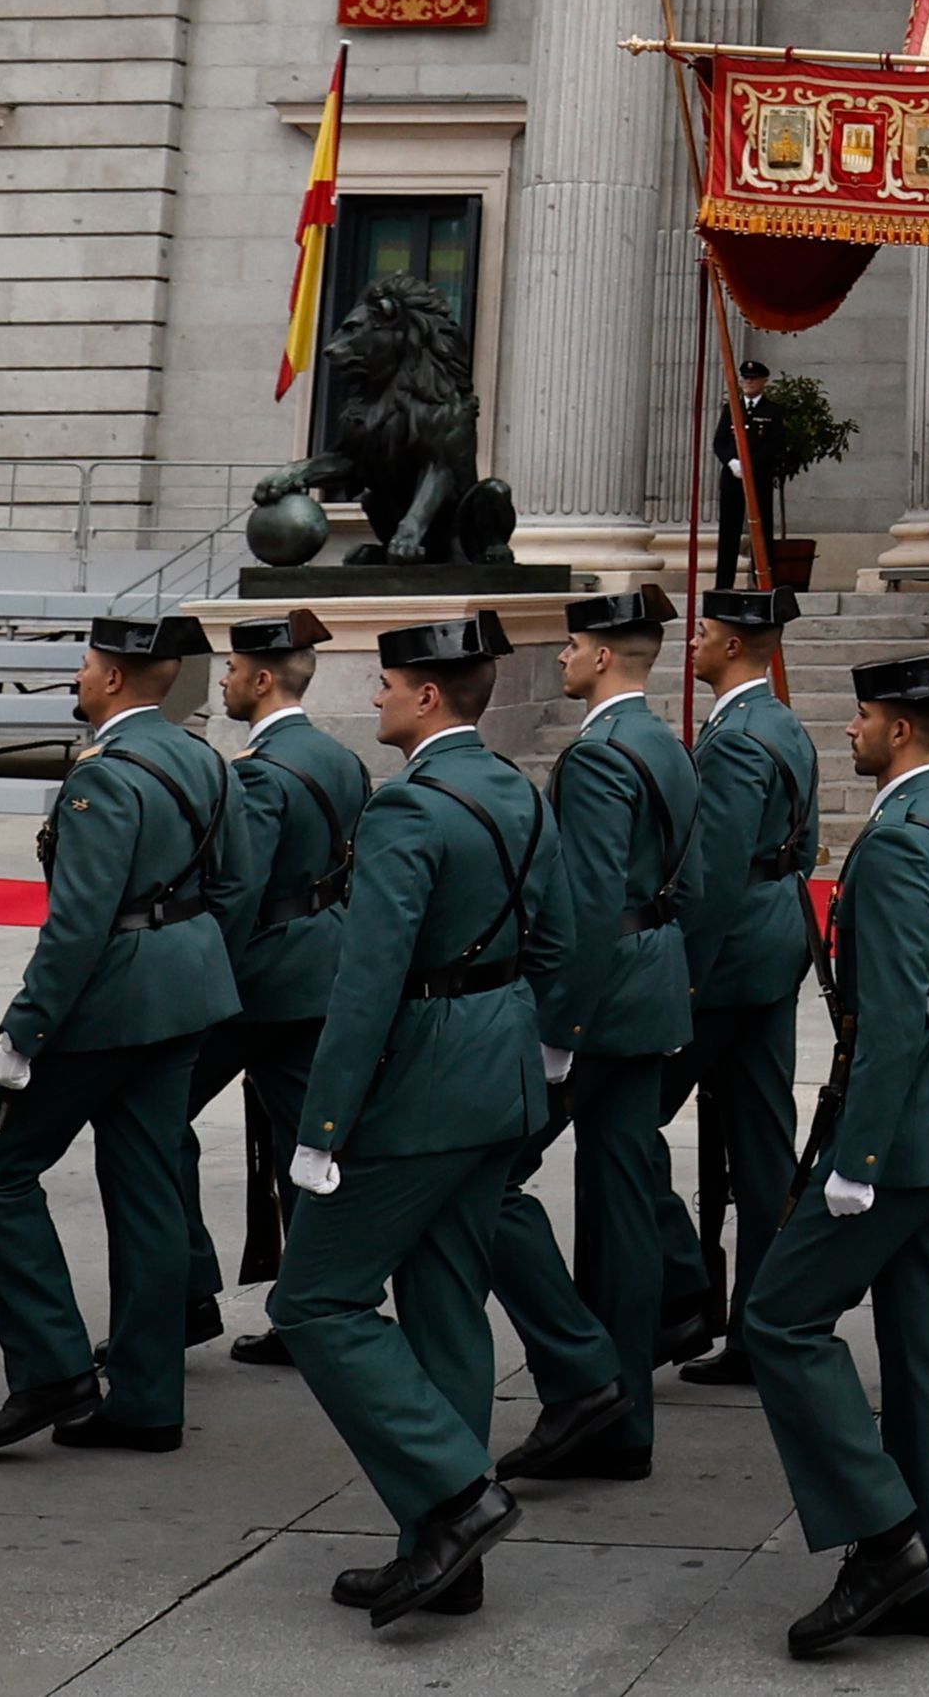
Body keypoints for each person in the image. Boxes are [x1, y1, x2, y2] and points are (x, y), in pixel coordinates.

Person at [268, 615, 558, 1626]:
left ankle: (456, 1495)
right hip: (501, 1070)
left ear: (428, 696)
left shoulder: (407, 811)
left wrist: (322, 1126)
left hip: (423, 1083)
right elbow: (556, 938)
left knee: (314, 1300)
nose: (377, 696)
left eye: (386, 682)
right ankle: (443, 1552)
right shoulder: (518, 788)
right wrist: (538, 1047)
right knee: (443, 1301)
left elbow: (366, 985)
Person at [747, 648, 929, 1656]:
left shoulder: (899, 842)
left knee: (778, 1316)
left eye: (857, 717)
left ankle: (886, 1531)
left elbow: (892, 1016)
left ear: (898, 727)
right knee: (928, 1348)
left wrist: (855, 1158)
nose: (846, 731)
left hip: (901, 1130)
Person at [0, 613, 245, 1459]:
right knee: (150, 1191)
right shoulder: (203, 758)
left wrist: (24, 1034)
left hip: (107, 1005)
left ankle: (52, 1368)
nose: (77, 680)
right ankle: (148, 1400)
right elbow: (236, 887)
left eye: (84, 666)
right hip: (185, 994)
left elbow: (78, 925)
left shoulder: (103, 777)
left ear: (113, 679)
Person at [491, 587, 697, 1486]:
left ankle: (582, 1375)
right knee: (622, 1209)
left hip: (599, 1001)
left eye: (572, 646)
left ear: (605, 657)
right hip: (649, 988)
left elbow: (586, 902)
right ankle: (624, 1423)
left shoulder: (603, 756)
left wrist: (558, 1029)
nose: (565, 658)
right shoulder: (666, 745)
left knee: (481, 1178)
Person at [205, 611, 367, 1368]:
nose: (226, 681)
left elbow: (240, 889)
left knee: (151, 1119)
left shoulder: (259, 771)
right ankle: (314, 1304)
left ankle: (180, 1291)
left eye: (233, 670)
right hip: (323, 964)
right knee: (305, 1141)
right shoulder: (339, 758)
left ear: (263, 678)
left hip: (262, 977)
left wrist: (205, 977)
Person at [672, 587, 823, 1384]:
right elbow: (808, 847)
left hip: (730, 956)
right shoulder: (785, 723)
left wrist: (681, 978)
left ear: (732, 645)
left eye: (703, 630)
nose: (692, 641)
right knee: (763, 1147)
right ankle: (765, 1324)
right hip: (778, 938)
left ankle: (681, 1294)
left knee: (628, 1111)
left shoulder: (732, 740)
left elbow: (713, 874)